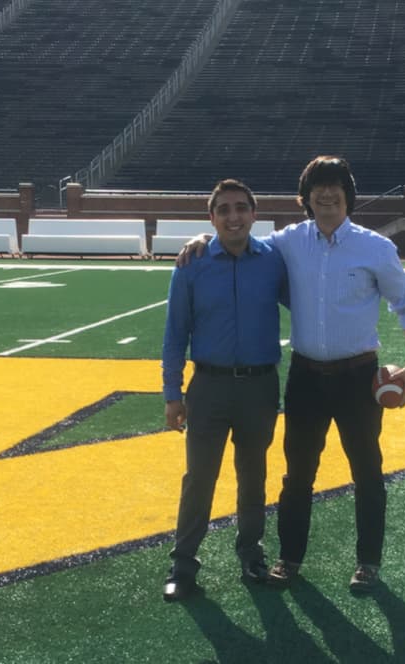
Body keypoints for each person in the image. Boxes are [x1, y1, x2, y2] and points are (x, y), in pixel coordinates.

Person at [179, 156, 405, 593]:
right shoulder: (287, 242)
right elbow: (239, 239)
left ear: (348, 194)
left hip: (357, 376)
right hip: (306, 377)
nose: (326, 195)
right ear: (306, 198)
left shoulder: (375, 247)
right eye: (318, 188)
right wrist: (203, 237)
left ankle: (368, 562)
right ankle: (289, 557)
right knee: (297, 475)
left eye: (335, 187)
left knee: (367, 471)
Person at [160, 178, 288, 602]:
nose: (233, 217)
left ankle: (250, 553)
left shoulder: (274, 260)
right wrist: (172, 393)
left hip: (259, 387)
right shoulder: (192, 263)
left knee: (253, 475)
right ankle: (183, 564)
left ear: (254, 214)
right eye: (224, 210)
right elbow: (175, 332)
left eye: (241, 208)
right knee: (199, 477)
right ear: (211, 217)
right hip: (209, 387)